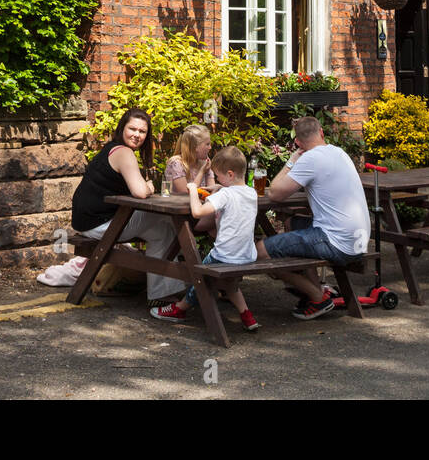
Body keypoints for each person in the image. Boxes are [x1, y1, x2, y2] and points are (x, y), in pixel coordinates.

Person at [256, 115, 369, 320]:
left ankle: (318, 297)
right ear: (322, 133)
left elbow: (275, 193)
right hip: (359, 242)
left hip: (336, 243)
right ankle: (317, 288)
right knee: (291, 223)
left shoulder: (310, 158)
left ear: (298, 142)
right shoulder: (339, 152)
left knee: (259, 253)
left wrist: (292, 160)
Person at [71, 107, 187, 303]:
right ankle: (168, 289)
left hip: (89, 222)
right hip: (100, 225)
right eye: (132, 129)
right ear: (122, 128)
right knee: (167, 220)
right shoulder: (123, 152)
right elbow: (140, 191)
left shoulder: (112, 149)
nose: (137, 135)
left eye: (142, 132)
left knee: (161, 231)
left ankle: (163, 291)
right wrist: (149, 186)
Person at [152, 146, 260, 332]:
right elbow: (233, 193)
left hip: (224, 256)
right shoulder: (251, 192)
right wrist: (219, 187)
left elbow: (197, 212)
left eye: (219, 176)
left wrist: (193, 190)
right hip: (247, 256)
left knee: (200, 277)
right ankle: (247, 316)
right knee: (230, 284)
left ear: (230, 174)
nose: (217, 180)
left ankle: (180, 308)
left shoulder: (226, 194)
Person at [163, 124, 217, 195]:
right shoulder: (176, 163)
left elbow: (212, 192)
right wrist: (201, 172)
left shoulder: (204, 163)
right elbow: (187, 195)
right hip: (178, 205)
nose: (210, 147)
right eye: (207, 144)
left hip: (201, 205)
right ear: (195, 147)